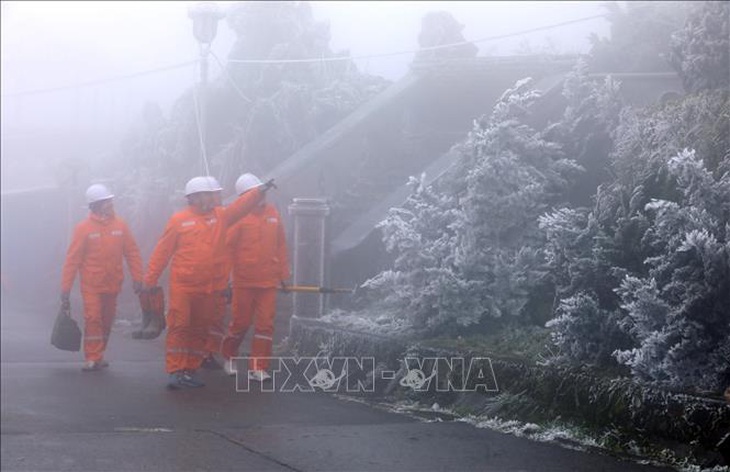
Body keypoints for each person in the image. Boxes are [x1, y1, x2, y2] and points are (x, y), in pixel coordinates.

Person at [143, 175, 273, 390]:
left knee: (200, 329)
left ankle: (190, 369)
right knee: (180, 327)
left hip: (209, 288)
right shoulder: (178, 220)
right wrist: (150, 280)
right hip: (184, 287)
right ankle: (176, 370)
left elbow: (240, 207)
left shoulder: (221, 217)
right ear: (194, 197)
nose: (214, 198)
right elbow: (162, 252)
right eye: (209, 194)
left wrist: (259, 191)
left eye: (213, 195)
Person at [60, 183, 144, 371]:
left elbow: (132, 252)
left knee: (107, 320)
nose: (110, 204)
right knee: (93, 318)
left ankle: (99, 354)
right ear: (95, 205)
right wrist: (65, 288)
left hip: (113, 283)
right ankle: (92, 356)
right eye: (106, 202)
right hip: (91, 284)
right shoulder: (83, 228)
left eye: (110, 201)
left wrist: (138, 277)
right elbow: (72, 260)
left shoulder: (120, 225)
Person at [221, 173, 290, 381]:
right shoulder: (237, 219)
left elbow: (281, 245)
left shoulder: (273, 213)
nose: (261, 196)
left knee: (265, 325)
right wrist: (226, 279)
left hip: (268, 281)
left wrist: (283, 275)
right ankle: (229, 356)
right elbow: (227, 250)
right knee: (240, 323)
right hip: (244, 281)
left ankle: (258, 367)